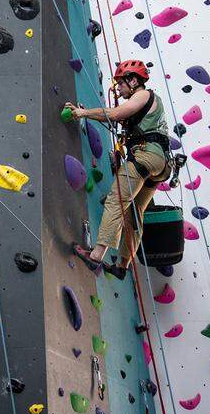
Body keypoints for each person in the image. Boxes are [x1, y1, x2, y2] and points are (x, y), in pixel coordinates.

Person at [65, 59, 171, 279]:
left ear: (134, 80)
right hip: (160, 164)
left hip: (145, 156)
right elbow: (116, 119)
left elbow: (114, 114)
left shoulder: (142, 95)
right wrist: (89, 113)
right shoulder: (149, 105)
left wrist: (82, 114)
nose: (118, 88)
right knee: (135, 212)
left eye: (121, 83)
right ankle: (122, 266)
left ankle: (96, 256)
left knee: (116, 200)